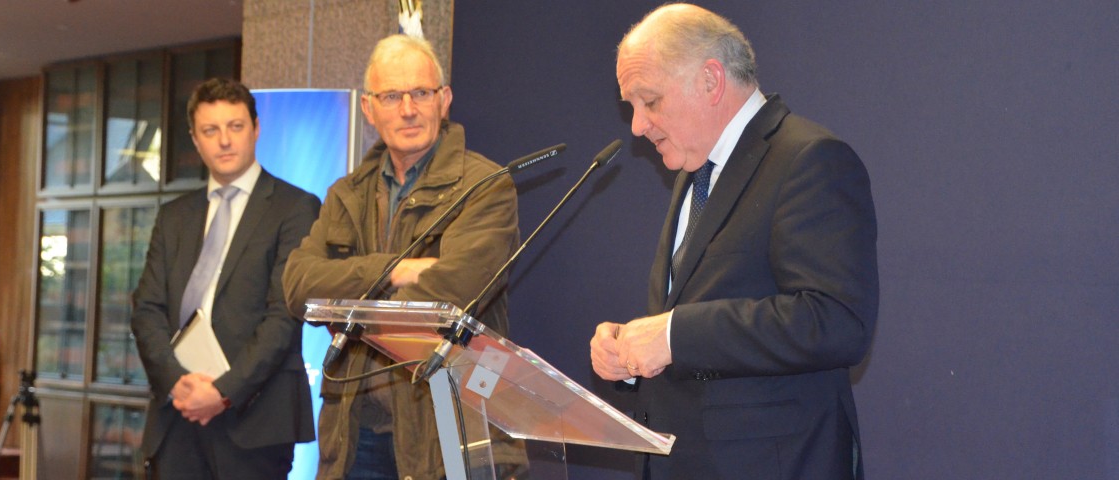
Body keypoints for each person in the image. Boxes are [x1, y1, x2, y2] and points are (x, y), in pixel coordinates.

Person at [589, 4, 879, 479]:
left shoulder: (809, 159)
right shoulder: (696, 170)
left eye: (650, 101)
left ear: (710, 80)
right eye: (632, 107)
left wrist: (672, 336)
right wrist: (632, 352)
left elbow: (836, 320)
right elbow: (704, 313)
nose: (637, 126)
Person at [282, 35, 523, 480]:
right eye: (392, 96)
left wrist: (347, 306)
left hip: (448, 430)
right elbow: (298, 286)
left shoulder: (485, 185)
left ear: (444, 100)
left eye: (420, 93)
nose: (408, 109)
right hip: (356, 433)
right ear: (369, 108)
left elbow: (454, 294)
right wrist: (393, 270)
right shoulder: (346, 193)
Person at [131, 78, 320, 479]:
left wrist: (222, 391)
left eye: (235, 126)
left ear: (256, 128)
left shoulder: (295, 208)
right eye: (210, 130)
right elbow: (146, 310)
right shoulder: (173, 217)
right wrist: (177, 382)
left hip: (255, 420)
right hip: (178, 415)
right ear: (195, 139)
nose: (224, 141)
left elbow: (283, 316)